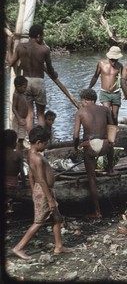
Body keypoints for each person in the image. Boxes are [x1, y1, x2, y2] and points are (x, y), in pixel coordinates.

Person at [12, 126, 74, 260]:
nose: (45, 146)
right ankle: (18, 247)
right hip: (44, 191)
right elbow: (41, 179)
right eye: (45, 143)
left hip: (42, 190)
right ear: (38, 142)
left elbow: (31, 176)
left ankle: (59, 246)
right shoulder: (37, 158)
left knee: (56, 217)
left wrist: (33, 190)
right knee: (39, 222)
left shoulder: (30, 154)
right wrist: (49, 199)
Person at [6, 24, 59, 133]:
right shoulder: (44, 49)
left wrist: (9, 47)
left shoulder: (20, 47)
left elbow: (10, 62)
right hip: (38, 81)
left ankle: (31, 140)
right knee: (40, 115)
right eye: (42, 36)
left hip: (25, 82)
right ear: (39, 36)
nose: (43, 38)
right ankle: (41, 140)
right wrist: (55, 75)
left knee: (29, 114)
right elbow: (50, 70)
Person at [73, 89, 116, 218]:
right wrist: (111, 143)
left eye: (82, 101)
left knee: (92, 179)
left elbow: (75, 135)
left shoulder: (81, 112)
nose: (82, 103)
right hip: (104, 146)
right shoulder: (105, 109)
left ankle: (97, 211)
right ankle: (110, 169)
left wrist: (75, 148)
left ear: (86, 100)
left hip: (90, 147)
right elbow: (112, 127)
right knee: (111, 145)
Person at [88, 46, 124, 125]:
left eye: (116, 60)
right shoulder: (101, 64)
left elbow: (123, 80)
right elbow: (95, 76)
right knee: (107, 113)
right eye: (112, 60)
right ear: (109, 57)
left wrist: (124, 93)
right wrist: (89, 88)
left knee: (115, 116)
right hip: (105, 93)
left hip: (116, 93)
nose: (113, 62)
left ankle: (114, 134)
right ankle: (107, 133)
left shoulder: (120, 66)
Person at [4, 129, 26, 213]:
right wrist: (24, 184)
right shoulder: (17, 155)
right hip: (13, 183)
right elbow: (22, 172)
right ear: (14, 142)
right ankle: (10, 206)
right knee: (13, 186)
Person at [12, 75, 29, 153]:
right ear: (18, 87)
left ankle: (19, 152)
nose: (26, 89)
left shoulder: (22, 94)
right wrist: (19, 118)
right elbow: (14, 108)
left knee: (21, 137)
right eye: (24, 87)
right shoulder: (16, 95)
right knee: (17, 137)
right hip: (18, 120)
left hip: (23, 120)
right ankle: (16, 152)